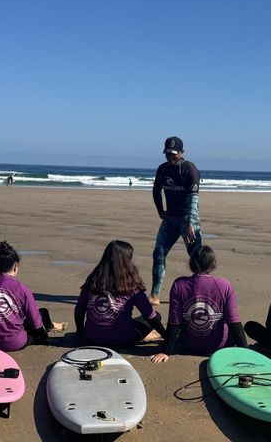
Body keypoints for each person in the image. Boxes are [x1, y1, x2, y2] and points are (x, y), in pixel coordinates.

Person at [151, 246, 246, 363]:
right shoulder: (224, 285)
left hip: (188, 345)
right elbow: (234, 322)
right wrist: (246, 352)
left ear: (191, 263)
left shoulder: (179, 284)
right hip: (219, 347)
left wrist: (166, 352)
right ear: (213, 264)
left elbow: (174, 323)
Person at [0, 241, 65, 351]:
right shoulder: (22, 289)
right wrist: (43, 337)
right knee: (42, 314)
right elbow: (36, 324)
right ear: (16, 266)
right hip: (14, 343)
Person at [74, 240, 166, 347]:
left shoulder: (92, 282)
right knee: (156, 316)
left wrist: (80, 333)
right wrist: (167, 337)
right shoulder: (132, 286)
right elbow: (150, 316)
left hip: (92, 338)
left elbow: (79, 312)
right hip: (124, 340)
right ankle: (147, 335)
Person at [150, 135, 202, 304]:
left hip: (188, 219)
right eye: (168, 154)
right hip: (170, 219)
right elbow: (156, 191)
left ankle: (200, 293)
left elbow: (194, 198)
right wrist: (160, 211)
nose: (171, 157)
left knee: (197, 257)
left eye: (174, 154)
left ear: (182, 152)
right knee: (158, 253)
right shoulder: (163, 169)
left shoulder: (189, 169)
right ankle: (154, 294)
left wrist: (190, 222)